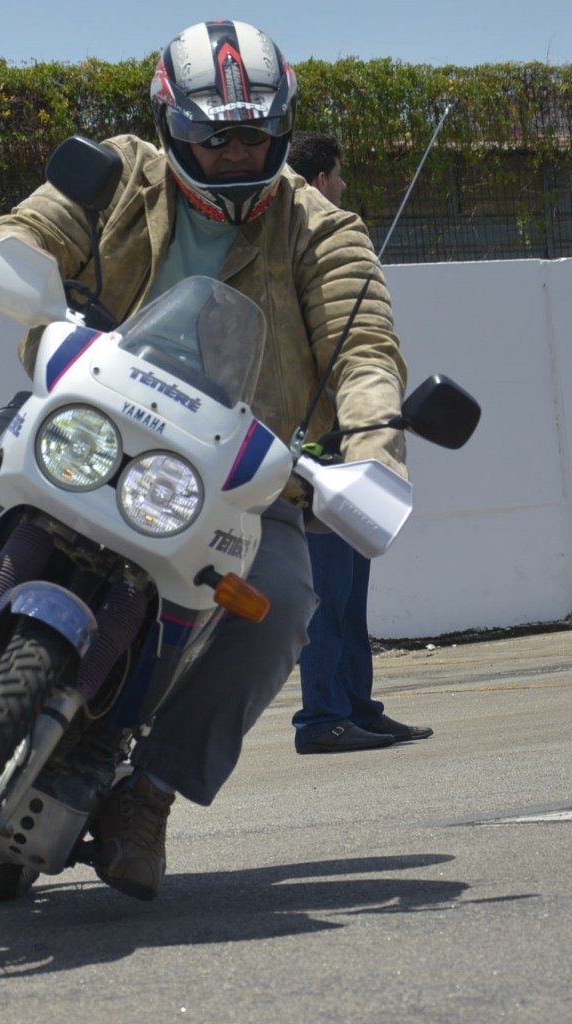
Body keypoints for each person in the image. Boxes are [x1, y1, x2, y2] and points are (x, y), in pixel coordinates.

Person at [0, 22, 408, 900]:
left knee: (284, 603)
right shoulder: (120, 171)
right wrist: (9, 261)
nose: (232, 150)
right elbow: (26, 226)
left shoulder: (325, 231)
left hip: (235, 477)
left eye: (251, 133)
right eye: (213, 134)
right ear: (174, 124)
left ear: (282, 130)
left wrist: (372, 455)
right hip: (87, 417)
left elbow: (364, 350)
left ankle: (150, 793)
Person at [288, 130, 433, 754]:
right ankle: (320, 719)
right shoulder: (294, 253)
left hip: (343, 445)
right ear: (320, 182)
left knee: (350, 598)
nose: (344, 188)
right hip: (310, 457)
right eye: (339, 176)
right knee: (325, 599)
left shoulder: (328, 256)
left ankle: (357, 708)